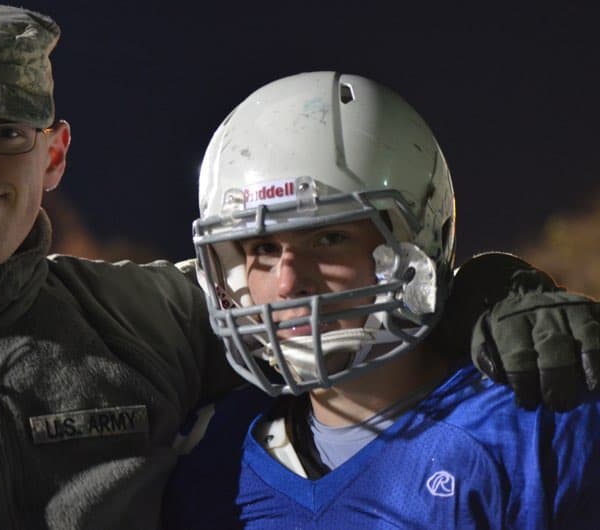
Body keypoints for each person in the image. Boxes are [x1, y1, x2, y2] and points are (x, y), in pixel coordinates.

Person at [0, 2, 594, 528]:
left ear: (55, 153)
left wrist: (490, 291)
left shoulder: (146, 316)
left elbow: (327, 311)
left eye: (6, 131)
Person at [163, 72, 600, 529]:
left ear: (417, 244)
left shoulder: (535, 429)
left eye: (329, 238)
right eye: (263, 250)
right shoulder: (212, 458)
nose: (288, 283)